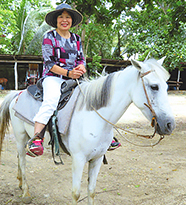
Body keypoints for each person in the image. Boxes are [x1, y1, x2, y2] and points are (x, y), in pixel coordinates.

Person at [28, 3, 120, 156]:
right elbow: (49, 63)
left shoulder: (76, 38)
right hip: (53, 78)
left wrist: (81, 68)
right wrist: (69, 73)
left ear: (71, 20)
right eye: (61, 17)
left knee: (94, 97)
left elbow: (81, 59)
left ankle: (106, 136)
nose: (64, 20)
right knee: (51, 101)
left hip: (75, 77)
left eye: (68, 17)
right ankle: (36, 138)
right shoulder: (49, 37)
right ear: (56, 20)